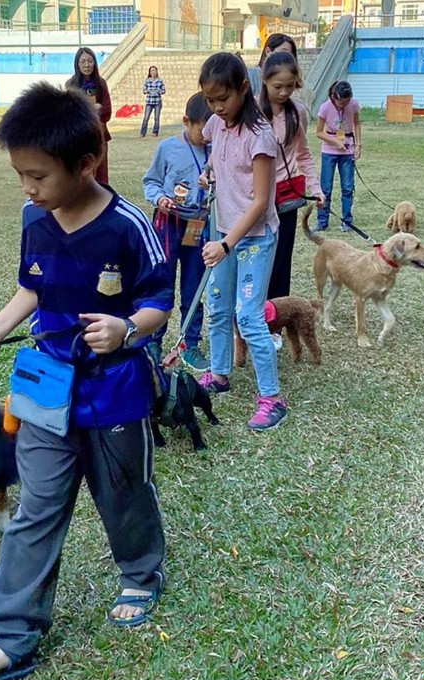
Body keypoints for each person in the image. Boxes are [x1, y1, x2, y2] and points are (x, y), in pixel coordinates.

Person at [0, 82, 172, 680]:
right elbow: (33, 288)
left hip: (116, 391)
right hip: (45, 386)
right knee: (36, 508)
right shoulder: (35, 219)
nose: (28, 187)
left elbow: (160, 302)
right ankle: (11, 635)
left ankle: (141, 574)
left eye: (38, 175)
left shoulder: (128, 226)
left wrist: (127, 328)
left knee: (122, 492)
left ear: (86, 163)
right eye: (20, 174)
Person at [196, 52, 287, 431]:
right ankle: (218, 374)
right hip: (224, 233)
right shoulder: (216, 125)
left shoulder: (260, 135)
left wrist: (226, 243)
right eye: (211, 100)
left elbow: (262, 201)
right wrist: (207, 172)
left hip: (252, 238)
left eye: (224, 98)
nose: (217, 107)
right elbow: (216, 158)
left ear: (244, 89)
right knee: (217, 307)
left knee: (248, 317)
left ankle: (272, 398)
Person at [142, 92, 212, 370]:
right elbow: (151, 182)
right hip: (167, 224)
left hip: (198, 225)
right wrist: (160, 198)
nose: (207, 137)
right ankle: (153, 341)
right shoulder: (167, 148)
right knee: (162, 284)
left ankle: (190, 343)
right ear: (186, 121)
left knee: (193, 286)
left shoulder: (216, 148)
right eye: (202, 130)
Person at [258, 51, 325, 300]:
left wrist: (316, 188)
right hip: (252, 196)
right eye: (278, 86)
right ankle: (249, 320)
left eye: (290, 86)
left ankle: (275, 318)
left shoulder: (298, 112)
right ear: (264, 80)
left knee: (281, 259)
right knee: (254, 257)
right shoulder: (250, 110)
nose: (284, 92)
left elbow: (303, 155)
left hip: (285, 198)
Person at [315, 80, 362, 232]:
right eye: (342, 103)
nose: (345, 105)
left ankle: (347, 221)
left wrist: (358, 145)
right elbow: (319, 132)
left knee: (348, 187)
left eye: (347, 102)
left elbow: (356, 124)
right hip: (329, 151)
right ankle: (322, 222)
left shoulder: (353, 104)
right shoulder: (325, 107)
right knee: (326, 189)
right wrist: (334, 142)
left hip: (347, 150)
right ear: (334, 97)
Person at [66, 47, 112, 184]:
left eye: (90, 61)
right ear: (77, 64)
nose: (87, 65)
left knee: (101, 173)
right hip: (80, 136)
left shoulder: (101, 83)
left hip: (100, 134)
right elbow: (72, 113)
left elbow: (107, 111)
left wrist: (88, 110)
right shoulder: (71, 85)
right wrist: (94, 108)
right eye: (83, 62)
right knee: (83, 171)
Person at [247, 33, 297, 97]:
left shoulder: (298, 106)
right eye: (277, 86)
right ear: (268, 51)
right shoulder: (251, 75)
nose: (283, 93)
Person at [140, 66, 165, 138]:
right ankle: (142, 133)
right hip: (149, 101)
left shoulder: (160, 80)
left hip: (157, 101)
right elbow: (144, 90)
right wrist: (147, 91)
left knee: (156, 118)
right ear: (150, 73)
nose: (153, 72)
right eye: (152, 71)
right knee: (146, 118)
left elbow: (163, 90)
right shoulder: (147, 80)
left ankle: (155, 132)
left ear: (157, 72)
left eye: (154, 71)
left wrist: (159, 92)